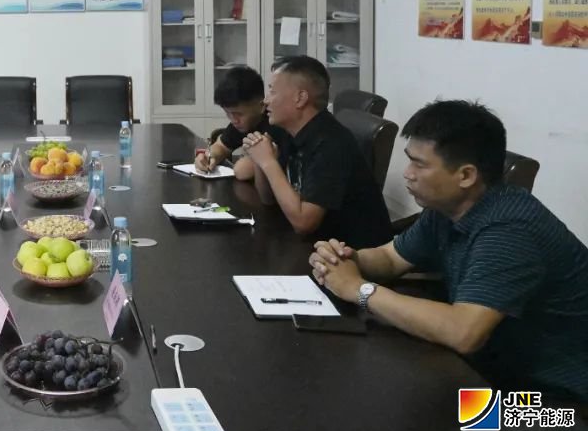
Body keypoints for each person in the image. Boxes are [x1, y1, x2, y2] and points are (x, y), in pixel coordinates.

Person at [310, 100, 588, 402]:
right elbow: (390, 258)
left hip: (557, 402)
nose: (408, 174)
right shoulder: (447, 208)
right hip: (490, 369)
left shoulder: (510, 230)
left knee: (434, 416)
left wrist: (358, 289)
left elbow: (463, 332)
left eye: (420, 164)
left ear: (466, 175)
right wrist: (345, 259)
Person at [243, 55, 392, 248]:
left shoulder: (331, 143)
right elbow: (268, 200)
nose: (266, 100)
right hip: (314, 245)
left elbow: (304, 223)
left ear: (300, 98)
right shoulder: (288, 129)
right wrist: (259, 159)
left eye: (272, 92)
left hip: (352, 254)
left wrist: (268, 163)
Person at [194, 65, 286, 180]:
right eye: (228, 113)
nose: (233, 120)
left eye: (238, 114)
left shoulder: (277, 123)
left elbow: (243, 170)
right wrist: (209, 157)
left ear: (262, 106)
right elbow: (221, 146)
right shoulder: (242, 123)